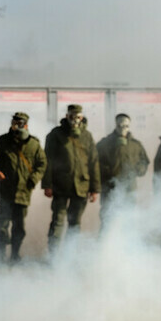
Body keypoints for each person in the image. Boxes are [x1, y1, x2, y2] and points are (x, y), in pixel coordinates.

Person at [41, 104, 100, 251]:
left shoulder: (87, 136)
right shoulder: (56, 134)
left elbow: (93, 162)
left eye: (78, 117)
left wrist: (94, 189)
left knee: (75, 223)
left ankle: (70, 255)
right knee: (58, 222)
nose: (75, 120)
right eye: (72, 116)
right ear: (67, 116)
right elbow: (47, 160)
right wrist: (47, 184)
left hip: (81, 186)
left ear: (82, 118)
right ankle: (53, 255)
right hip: (60, 185)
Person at [0, 112, 47, 263]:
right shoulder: (2, 142)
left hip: (23, 192)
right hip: (5, 191)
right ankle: (1, 255)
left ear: (27, 125)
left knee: (19, 226)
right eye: (15, 122)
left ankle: (15, 254)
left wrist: (33, 179)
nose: (17, 126)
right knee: (3, 225)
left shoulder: (33, 145)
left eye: (21, 123)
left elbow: (42, 164)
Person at [95, 113, 150, 229]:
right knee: (108, 219)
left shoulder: (136, 145)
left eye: (126, 126)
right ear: (116, 126)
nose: (123, 129)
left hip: (129, 189)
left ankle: (127, 245)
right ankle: (105, 245)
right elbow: (94, 163)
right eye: (120, 126)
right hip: (110, 188)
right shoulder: (104, 144)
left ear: (129, 126)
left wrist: (137, 170)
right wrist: (107, 172)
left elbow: (144, 162)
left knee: (128, 220)